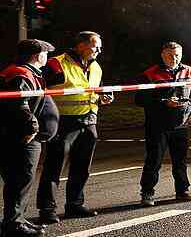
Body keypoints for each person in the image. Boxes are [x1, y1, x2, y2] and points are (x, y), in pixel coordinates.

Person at [36, 31, 112, 224]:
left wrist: (104, 97)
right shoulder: (56, 63)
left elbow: (97, 89)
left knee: (82, 167)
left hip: (89, 121)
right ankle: (47, 209)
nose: (99, 50)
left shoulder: (95, 66)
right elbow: (39, 92)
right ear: (81, 45)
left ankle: (75, 205)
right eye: (95, 46)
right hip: (63, 122)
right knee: (54, 167)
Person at [135, 42, 191, 207]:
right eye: (170, 56)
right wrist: (164, 102)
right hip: (158, 124)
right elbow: (140, 99)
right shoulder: (150, 74)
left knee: (180, 161)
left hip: (181, 123)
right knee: (154, 160)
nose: (174, 58)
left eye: (177, 55)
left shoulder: (189, 71)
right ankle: (147, 193)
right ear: (162, 55)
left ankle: (182, 191)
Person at [2, 40, 57, 236]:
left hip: (21, 137)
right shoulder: (21, 74)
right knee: (20, 179)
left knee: (19, 180)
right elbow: (20, 104)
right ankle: (14, 224)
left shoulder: (25, 72)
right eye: (45, 53)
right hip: (21, 138)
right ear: (36, 55)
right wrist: (32, 128)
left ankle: (17, 220)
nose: (47, 57)